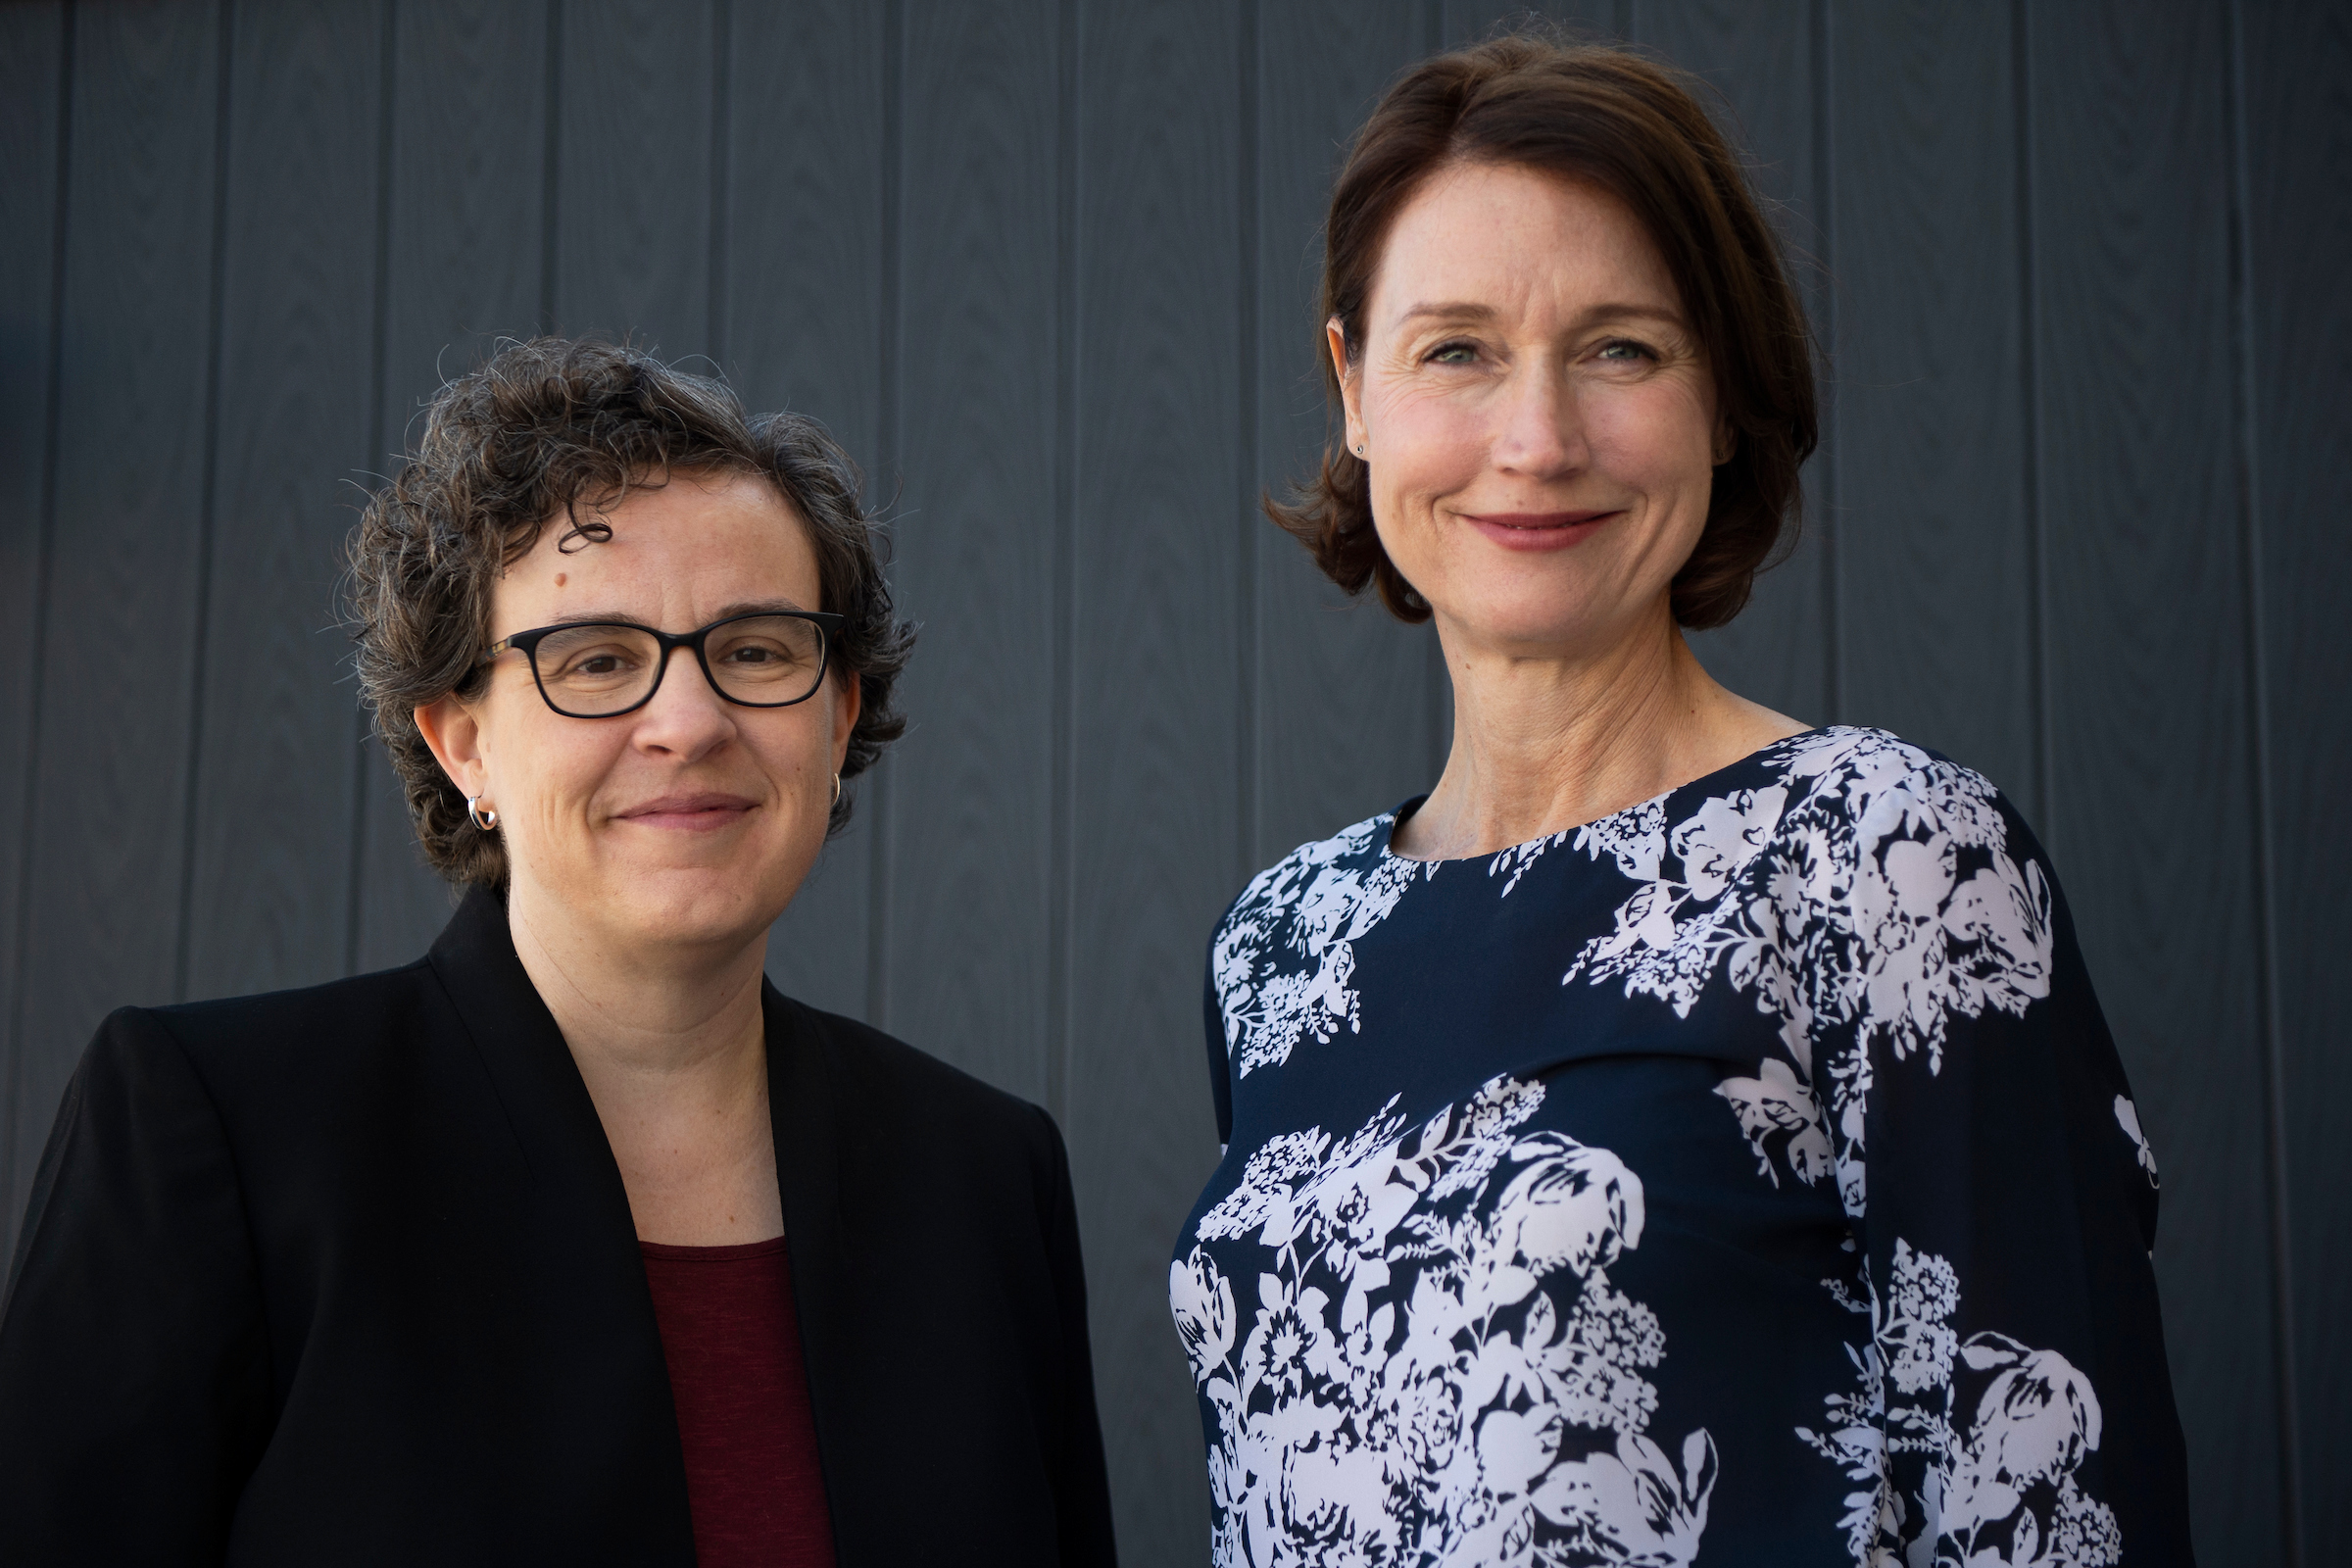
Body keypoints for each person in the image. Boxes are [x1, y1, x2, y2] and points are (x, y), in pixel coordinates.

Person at [1169, 34, 2190, 1567]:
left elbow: (2051, 1505)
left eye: (1622, 348)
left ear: (1724, 396)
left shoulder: (1887, 858)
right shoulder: (1283, 947)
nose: (1537, 441)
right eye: (1455, 349)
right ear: (1354, 390)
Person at [0, 338, 1117, 1567]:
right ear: (460, 742)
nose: (688, 723)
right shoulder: (220, 1131)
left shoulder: (985, 1176)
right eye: (595, 661)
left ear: (838, 710)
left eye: (754, 650)